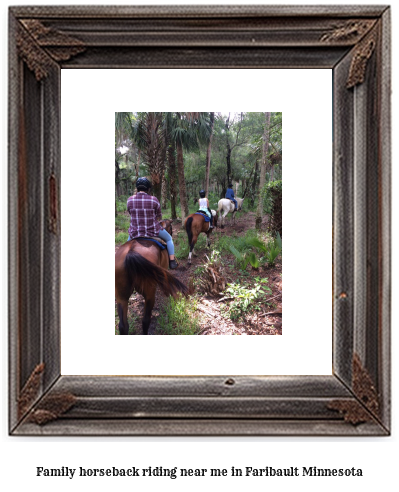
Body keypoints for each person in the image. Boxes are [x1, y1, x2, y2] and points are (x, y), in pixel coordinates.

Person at [127, 177, 178, 269]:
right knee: (169, 239)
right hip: (153, 230)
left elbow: (130, 213)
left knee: (126, 248)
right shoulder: (154, 199)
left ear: (137, 188)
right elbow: (159, 216)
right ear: (148, 188)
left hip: (135, 232)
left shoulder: (130, 200)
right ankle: (172, 261)